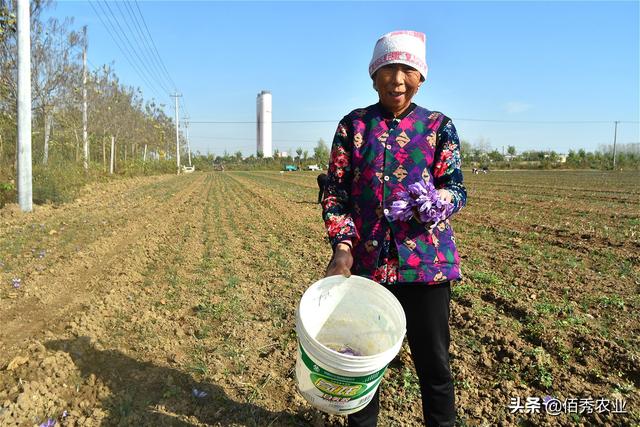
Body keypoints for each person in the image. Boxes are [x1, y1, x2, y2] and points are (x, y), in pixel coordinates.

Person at [321, 30, 466, 427]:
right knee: (362, 364)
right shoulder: (354, 127)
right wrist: (343, 247)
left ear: (421, 77)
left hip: (426, 267)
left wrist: (440, 203)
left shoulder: (439, 127)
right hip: (367, 267)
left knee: (434, 366)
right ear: (373, 75)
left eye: (407, 69)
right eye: (388, 68)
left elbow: (455, 186)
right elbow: (335, 192)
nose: (397, 79)